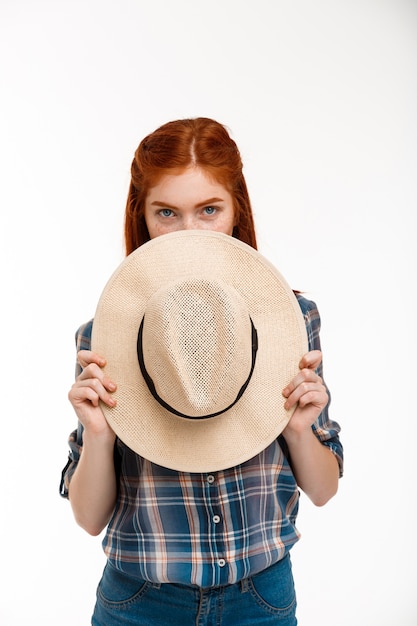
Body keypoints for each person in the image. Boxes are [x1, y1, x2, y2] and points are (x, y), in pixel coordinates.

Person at [60, 117, 343, 626]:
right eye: (166, 212)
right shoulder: (106, 337)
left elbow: (323, 490)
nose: (189, 232)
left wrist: (299, 429)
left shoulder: (291, 321)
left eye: (209, 210)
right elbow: (88, 518)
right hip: (140, 602)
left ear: (237, 212)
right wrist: (100, 435)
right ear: (141, 217)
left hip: (261, 598)